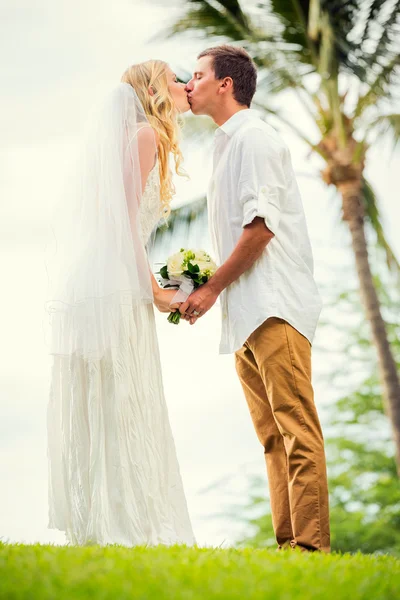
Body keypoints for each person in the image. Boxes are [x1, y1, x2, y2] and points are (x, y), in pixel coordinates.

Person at [180, 45, 330, 552]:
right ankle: (288, 545)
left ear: (225, 84)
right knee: (271, 437)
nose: (188, 83)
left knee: (296, 429)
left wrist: (212, 286)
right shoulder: (225, 146)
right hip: (244, 313)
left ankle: (310, 550)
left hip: (273, 305)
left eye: (197, 75)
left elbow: (261, 229)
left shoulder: (255, 138)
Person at [45, 61, 195, 547]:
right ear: (153, 89)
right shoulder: (145, 137)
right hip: (117, 283)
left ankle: (115, 521)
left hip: (105, 278)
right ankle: (126, 525)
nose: (184, 84)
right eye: (176, 78)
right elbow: (126, 223)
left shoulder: (139, 139)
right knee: (123, 393)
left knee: (118, 396)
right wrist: (152, 289)